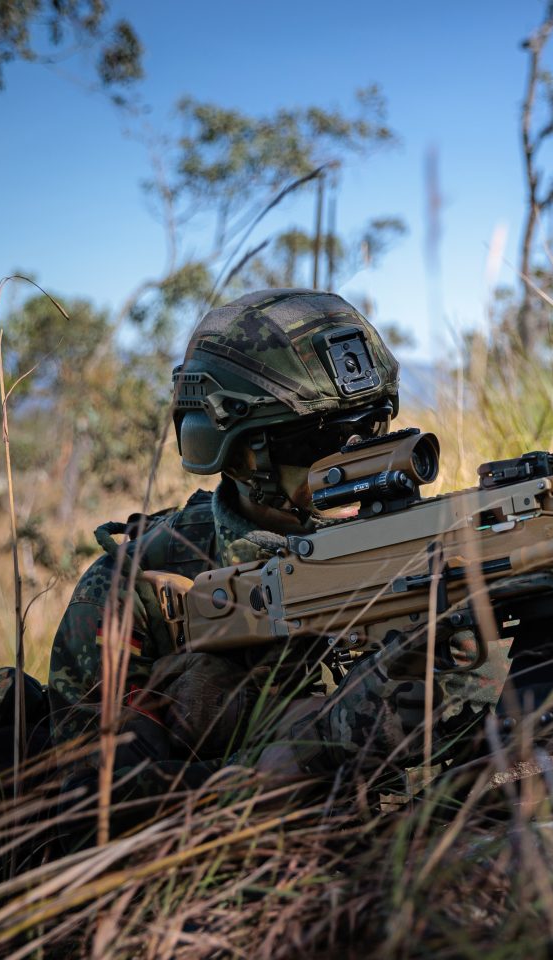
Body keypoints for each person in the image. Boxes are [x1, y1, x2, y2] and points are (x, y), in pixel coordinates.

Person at [45, 288, 409, 801]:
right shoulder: (137, 590)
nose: (358, 454)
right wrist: (294, 758)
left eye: (374, 424)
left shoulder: (417, 544)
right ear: (239, 454)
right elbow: (90, 813)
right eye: (319, 441)